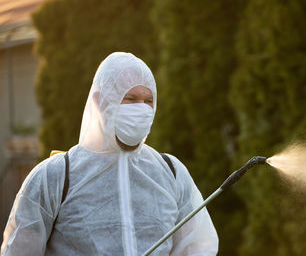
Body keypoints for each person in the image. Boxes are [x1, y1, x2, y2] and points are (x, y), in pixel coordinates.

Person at [1, 52, 219, 255]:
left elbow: (198, 247)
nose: (142, 109)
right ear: (99, 101)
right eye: (131, 99)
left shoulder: (171, 172)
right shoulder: (55, 176)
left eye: (149, 101)